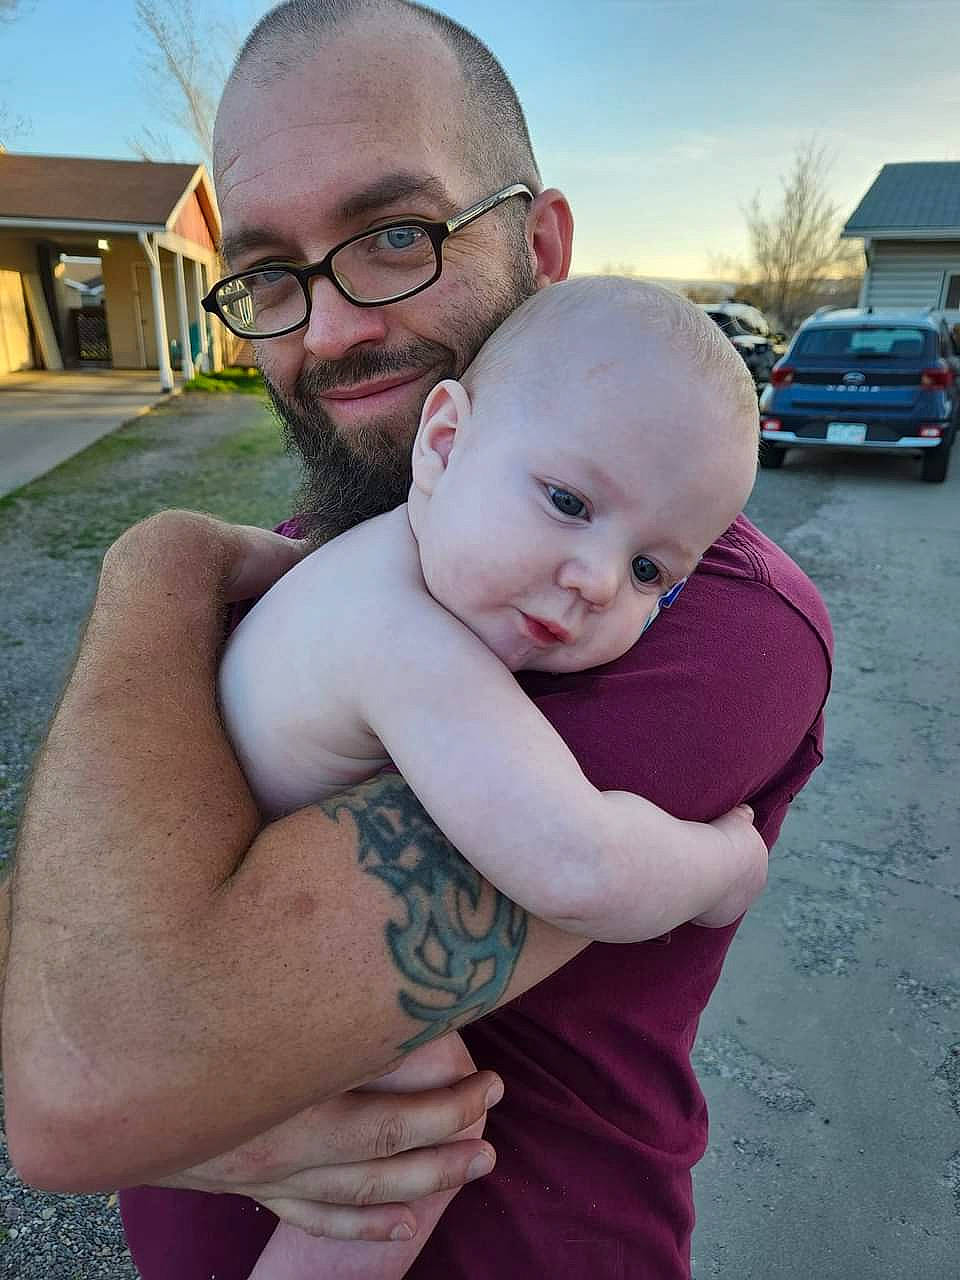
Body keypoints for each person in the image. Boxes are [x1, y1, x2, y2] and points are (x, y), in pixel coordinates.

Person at [1, 3, 833, 1278]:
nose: (329, 331)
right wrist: (153, 569)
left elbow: (74, 1087)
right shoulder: (315, 563)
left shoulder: (709, 627)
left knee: (419, 1107)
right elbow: (52, 974)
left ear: (540, 243)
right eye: (272, 271)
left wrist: (171, 1097)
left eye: (396, 235)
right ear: (447, 442)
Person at [225, 276, 768, 1278]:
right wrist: (725, 864)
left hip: (231, 928)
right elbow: (575, 863)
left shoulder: (374, 564)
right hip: (212, 966)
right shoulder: (404, 638)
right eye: (568, 501)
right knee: (421, 1109)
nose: (598, 580)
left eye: (655, 571)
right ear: (441, 443)